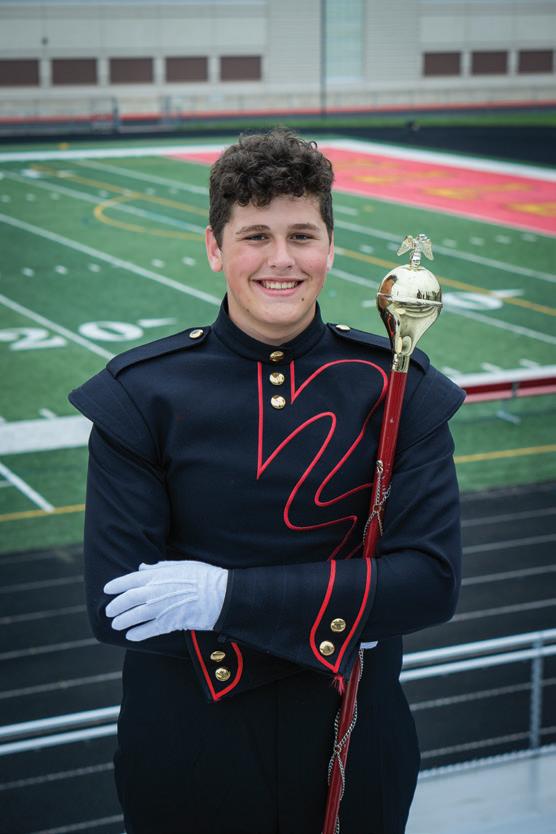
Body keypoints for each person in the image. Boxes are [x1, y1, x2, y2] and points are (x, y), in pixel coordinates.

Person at [69, 128, 464, 834]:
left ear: (330, 248)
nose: (282, 260)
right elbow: (119, 608)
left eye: (302, 236)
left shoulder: (399, 388)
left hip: (355, 748)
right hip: (189, 754)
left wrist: (224, 598)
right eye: (255, 236)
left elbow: (431, 583)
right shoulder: (141, 395)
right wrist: (344, 618)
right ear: (215, 248)